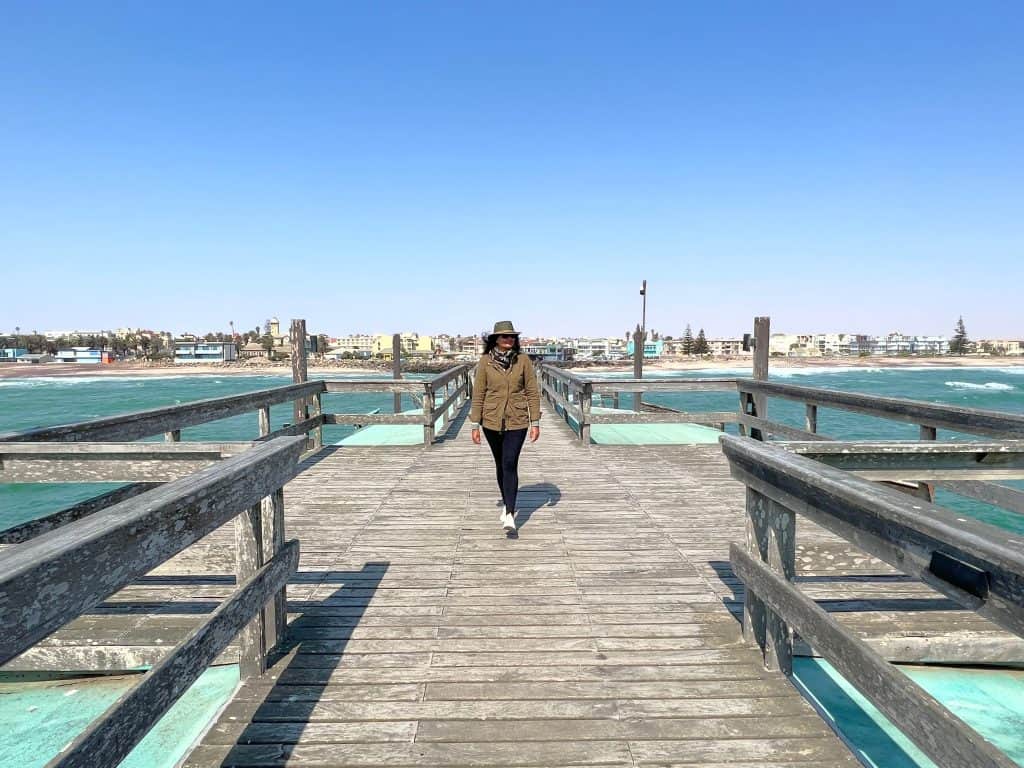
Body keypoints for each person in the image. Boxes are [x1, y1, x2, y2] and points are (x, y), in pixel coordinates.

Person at [469, 320, 541, 533]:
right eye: (505, 337)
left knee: (510, 463)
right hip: (491, 421)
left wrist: (534, 421)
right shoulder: (485, 362)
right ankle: (506, 499)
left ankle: (510, 513)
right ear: (495, 340)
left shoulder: (523, 361)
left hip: (517, 420)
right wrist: (475, 424)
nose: (509, 340)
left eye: (512, 337)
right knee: (500, 465)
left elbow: (532, 392)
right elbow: (479, 394)